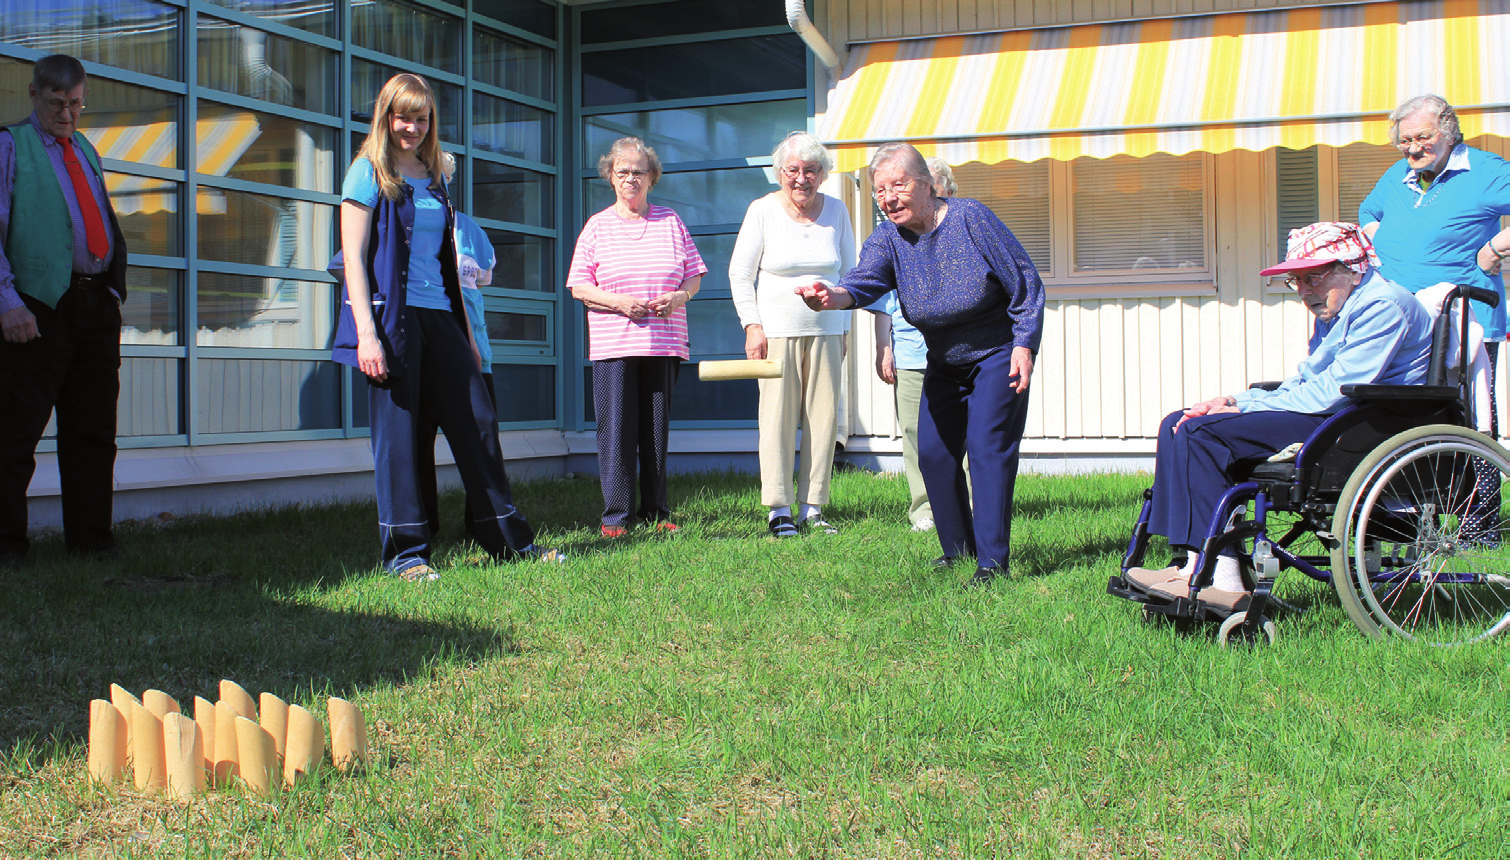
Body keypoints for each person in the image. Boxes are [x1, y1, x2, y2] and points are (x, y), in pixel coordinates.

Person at [1124, 222, 1432, 604]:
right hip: (1333, 415)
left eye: (1313, 277)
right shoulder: (1338, 309)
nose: (1304, 291)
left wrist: (1240, 405)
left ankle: (1224, 578)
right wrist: (1232, 400)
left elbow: (1333, 390)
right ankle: (1186, 561)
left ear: (1353, 267)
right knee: (1178, 421)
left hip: (1357, 422)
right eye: (1296, 281)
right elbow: (1305, 381)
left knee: (1202, 433)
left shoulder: (1383, 305)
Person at [331, 73, 559, 582]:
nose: (411, 127)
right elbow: (352, 260)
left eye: (421, 117)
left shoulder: (434, 176)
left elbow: (448, 262)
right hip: (393, 318)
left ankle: (506, 539)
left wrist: (469, 338)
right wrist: (367, 334)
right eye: (403, 116)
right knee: (400, 435)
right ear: (386, 117)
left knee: (478, 420)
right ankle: (406, 555)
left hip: (443, 317)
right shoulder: (368, 173)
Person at [797, 143, 1045, 586]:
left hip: (995, 355)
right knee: (933, 453)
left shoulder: (971, 219)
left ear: (927, 185)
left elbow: (1023, 280)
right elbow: (861, 281)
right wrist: (830, 296)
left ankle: (992, 563)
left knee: (988, 452)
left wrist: (1025, 344)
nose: (888, 197)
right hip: (943, 361)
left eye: (898, 185)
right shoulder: (890, 237)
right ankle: (958, 552)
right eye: (879, 190)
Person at [0, 54, 129, 567]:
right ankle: (7, 546)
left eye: (76, 103)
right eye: (57, 103)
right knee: (15, 430)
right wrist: (7, 302)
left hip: (94, 305)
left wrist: (113, 293)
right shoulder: (11, 145)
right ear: (34, 96)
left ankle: (92, 541)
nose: (68, 114)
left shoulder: (88, 151)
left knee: (94, 430)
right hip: (35, 306)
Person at [567, 137, 706, 538]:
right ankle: (616, 517)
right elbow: (579, 287)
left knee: (654, 431)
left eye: (639, 172)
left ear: (652, 178)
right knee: (616, 431)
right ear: (610, 177)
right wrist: (620, 303)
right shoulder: (597, 226)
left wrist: (680, 295)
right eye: (623, 171)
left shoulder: (671, 222)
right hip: (615, 345)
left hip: (663, 343)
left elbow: (693, 276)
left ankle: (656, 511)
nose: (631, 179)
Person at [729, 132, 855, 539]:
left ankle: (814, 507)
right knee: (778, 421)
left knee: (823, 420)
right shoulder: (762, 210)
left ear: (822, 173)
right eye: (793, 170)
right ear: (779, 172)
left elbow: (852, 275)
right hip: (775, 333)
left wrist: (846, 326)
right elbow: (740, 274)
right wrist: (752, 325)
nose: (802, 178)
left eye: (811, 170)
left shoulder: (837, 211)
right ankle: (779, 509)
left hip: (827, 330)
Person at [866, 156, 958, 533]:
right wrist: (882, 348)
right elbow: (882, 300)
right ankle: (924, 509)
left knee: (959, 434)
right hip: (910, 354)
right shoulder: (894, 240)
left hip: (956, 354)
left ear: (946, 194)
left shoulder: (961, 233)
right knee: (915, 434)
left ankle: (964, 504)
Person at [417, 201, 498, 540]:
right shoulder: (402, 225)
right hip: (421, 351)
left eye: (445, 176)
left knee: (482, 437)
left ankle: (483, 523)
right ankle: (422, 525)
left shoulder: (469, 229)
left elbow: (485, 279)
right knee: (417, 442)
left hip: (473, 351)